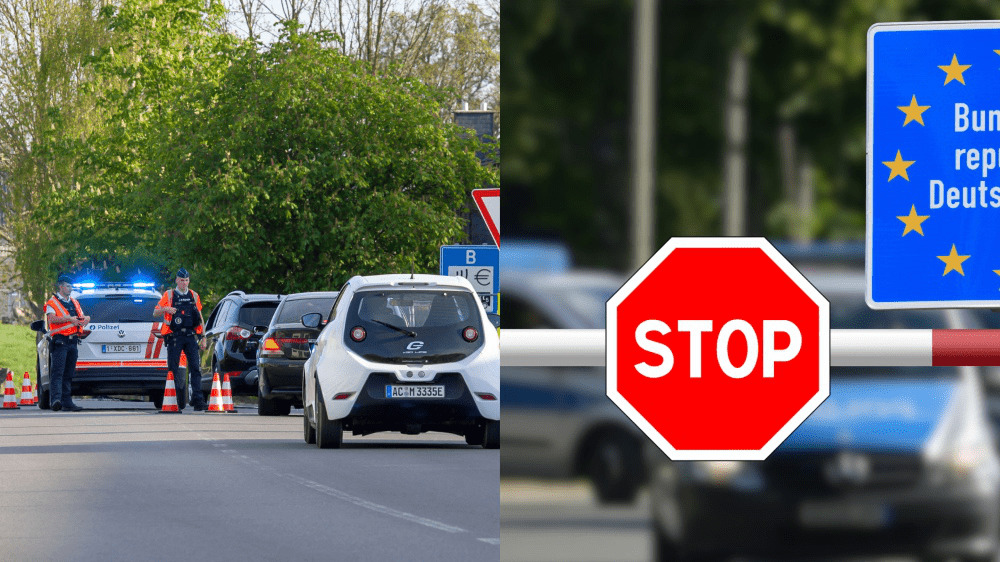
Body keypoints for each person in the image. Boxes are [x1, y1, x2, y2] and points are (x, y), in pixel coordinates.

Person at [153, 268, 208, 411]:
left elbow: (200, 317)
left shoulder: (194, 295)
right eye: (181, 280)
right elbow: (155, 312)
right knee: (173, 369)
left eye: (186, 280)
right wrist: (166, 309)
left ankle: (198, 400)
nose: (184, 283)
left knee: (195, 368)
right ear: (177, 280)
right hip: (174, 336)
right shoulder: (169, 294)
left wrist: (203, 337)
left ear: (189, 281)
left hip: (190, 336)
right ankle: (175, 401)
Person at [44, 274, 90, 412]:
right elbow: (52, 319)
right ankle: (56, 400)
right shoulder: (52, 303)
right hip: (60, 342)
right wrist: (69, 319)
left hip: (73, 341)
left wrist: (86, 318)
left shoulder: (74, 302)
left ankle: (67, 402)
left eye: (71, 286)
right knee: (58, 373)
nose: (70, 289)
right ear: (61, 286)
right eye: (68, 286)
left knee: (69, 374)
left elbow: (80, 316)